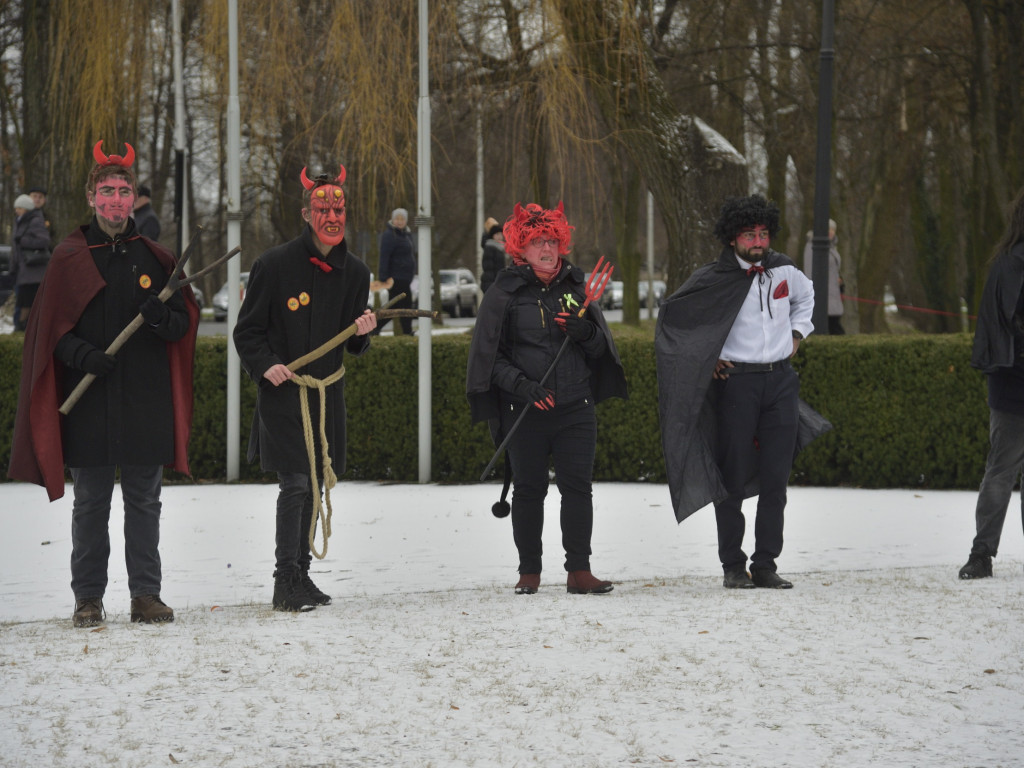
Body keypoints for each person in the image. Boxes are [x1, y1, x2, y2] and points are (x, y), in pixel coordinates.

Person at [8, 140, 199, 627]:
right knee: (90, 504)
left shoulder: (156, 258)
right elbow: (50, 334)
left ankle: (146, 596)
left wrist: (160, 319)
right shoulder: (70, 256)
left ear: (133, 198)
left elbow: (181, 325)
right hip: (90, 402)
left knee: (144, 502)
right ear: (91, 196)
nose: (116, 200)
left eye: (124, 191)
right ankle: (88, 599)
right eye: (107, 191)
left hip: (143, 403)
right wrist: (82, 354)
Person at [655, 194, 830, 590]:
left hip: (781, 381)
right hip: (737, 385)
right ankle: (732, 565)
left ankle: (766, 563)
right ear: (733, 238)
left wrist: (799, 334)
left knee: (776, 478)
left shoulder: (785, 270)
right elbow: (674, 317)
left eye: (763, 234)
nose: (757, 241)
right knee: (731, 478)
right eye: (749, 234)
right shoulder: (711, 279)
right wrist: (707, 355)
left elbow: (808, 299)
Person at [234, 164, 377, 612]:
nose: (332, 217)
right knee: (296, 482)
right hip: (285, 392)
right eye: (323, 209)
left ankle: (303, 574)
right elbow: (247, 332)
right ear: (305, 213)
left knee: (317, 483)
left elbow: (353, 343)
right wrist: (266, 365)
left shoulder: (356, 272)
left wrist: (363, 331)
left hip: (325, 394)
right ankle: (284, 582)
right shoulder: (273, 265)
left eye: (339, 209)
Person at [466, 202, 627, 595]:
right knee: (528, 489)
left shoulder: (577, 287)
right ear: (521, 247)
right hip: (524, 410)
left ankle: (579, 571)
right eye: (538, 241)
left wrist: (586, 334)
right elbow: (490, 357)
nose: (547, 248)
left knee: (578, 489)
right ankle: (529, 571)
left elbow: (599, 349)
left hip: (575, 408)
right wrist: (522, 386)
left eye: (552, 240)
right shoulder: (503, 291)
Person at [958, 186, 1024, 580]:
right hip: (1013, 382)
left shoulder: (1003, 262)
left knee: (999, 470)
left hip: (1009, 379)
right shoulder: (1009, 264)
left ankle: (981, 554)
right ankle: (981, 553)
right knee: (1000, 470)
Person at [11, 193, 51, 331]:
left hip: (33, 272)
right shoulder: (19, 221)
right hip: (23, 270)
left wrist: (24, 241)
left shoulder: (35, 220)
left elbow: (44, 240)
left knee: (27, 303)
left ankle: (22, 329)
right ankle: (22, 328)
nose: (16, 210)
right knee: (23, 302)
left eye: (19, 208)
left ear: (26, 208)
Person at [375, 207, 416, 335]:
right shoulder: (390, 235)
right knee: (400, 305)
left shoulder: (406, 235)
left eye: (402, 219)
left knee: (399, 306)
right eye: (397, 219)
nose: (400, 221)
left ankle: (405, 331)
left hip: (405, 277)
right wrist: (383, 276)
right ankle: (406, 332)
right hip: (395, 277)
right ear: (393, 220)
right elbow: (384, 256)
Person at [803, 218, 845, 334]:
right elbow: (809, 269)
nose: (831, 232)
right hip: (821, 293)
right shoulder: (812, 245)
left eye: (833, 230)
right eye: (828, 229)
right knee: (834, 329)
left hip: (834, 292)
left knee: (834, 325)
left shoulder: (832, 247)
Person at [480, 217, 506, 293]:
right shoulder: (490, 248)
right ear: (492, 236)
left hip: (498, 283)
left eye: (501, 234)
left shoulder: (500, 248)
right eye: (497, 234)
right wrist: (493, 286)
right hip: (492, 284)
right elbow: (489, 269)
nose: (499, 236)